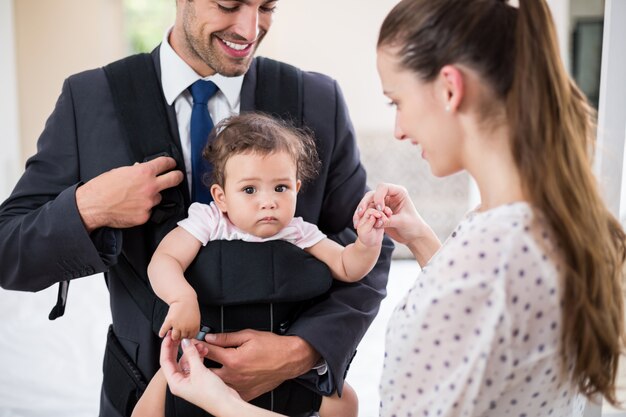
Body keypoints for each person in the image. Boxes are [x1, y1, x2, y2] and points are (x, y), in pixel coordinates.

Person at [155, 0, 626, 416]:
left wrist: (218, 402)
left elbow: (478, 294)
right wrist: (420, 237)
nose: (398, 129)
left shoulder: (489, 264)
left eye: (397, 101)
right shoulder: (523, 226)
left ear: (449, 89)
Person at [0, 1, 393, 415]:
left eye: (267, 7)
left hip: (287, 401)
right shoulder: (88, 99)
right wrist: (91, 207)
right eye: (228, 4)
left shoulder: (316, 98)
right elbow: (8, 250)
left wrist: (301, 351)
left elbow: (369, 244)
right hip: (145, 393)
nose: (249, 27)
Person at [134, 112, 385, 417]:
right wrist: (181, 297)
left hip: (279, 361)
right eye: (250, 190)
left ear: (296, 187)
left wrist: (367, 243)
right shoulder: (210, 221)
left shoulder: (298, 231)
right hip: (206, 353)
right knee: (154, 397)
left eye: (280, 188)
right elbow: (164, 260)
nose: (268, 202)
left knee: (347, 402)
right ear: (221, 197)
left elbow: (347, 266)